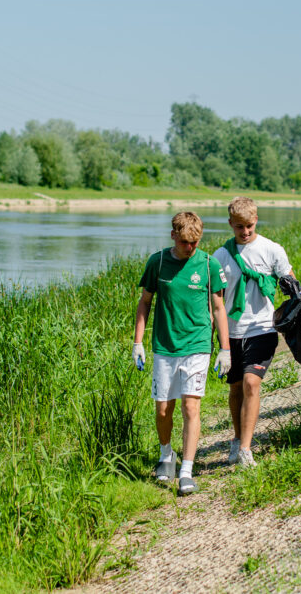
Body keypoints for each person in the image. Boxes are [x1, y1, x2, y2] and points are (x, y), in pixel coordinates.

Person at [133, 212, 231, 496]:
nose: (191, 248)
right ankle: (167, 456)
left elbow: (218, 309)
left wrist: (225, 350)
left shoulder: (209, 264)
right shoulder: (159, 262)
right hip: (165, 345)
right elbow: (145, 302)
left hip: (197, 344)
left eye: (196, 242)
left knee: (191, 406)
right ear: (173, 235)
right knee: (164, 408)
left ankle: (187, 470)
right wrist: (137, 342)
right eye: (186, 242)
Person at [212, 197, 301, 467]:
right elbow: (215, 301)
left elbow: (289, 276)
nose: (245, 232)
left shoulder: (271, 249)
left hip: (262, 328)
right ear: (230, 224)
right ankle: (236, 438)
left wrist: (296, 291)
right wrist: (218, 344)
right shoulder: (221, 256)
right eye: (239, 227)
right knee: (236, 388)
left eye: (250, 225)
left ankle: (245, 449)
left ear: (256, 220)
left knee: (252, 383)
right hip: (232, 332)